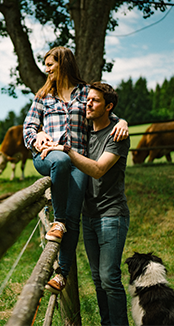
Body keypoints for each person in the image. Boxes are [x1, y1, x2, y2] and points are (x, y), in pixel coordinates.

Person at [23, 46, 128, 292]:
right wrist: (36, 137)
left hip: (77, 159)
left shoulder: (84, 93)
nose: (46, 69)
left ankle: (62, 274)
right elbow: (28, 127)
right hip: (48, 156)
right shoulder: (42, 96)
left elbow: (108, 114)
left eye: (50, 64)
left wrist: (123, 122)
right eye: (46, 64)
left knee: (74, 214)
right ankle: (57, 221)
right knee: (59, 161)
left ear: (64, 64)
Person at [38, 82, 130, 326]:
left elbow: (98, 170)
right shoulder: (87, 133)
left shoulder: (117, 136)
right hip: (89, 216)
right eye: (88, 99)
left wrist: (67, 150)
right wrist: (39, 133)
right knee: (98, 280)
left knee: (110, 278)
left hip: (111, 215)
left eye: (96, 101)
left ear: (108, 107)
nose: (88, 103)